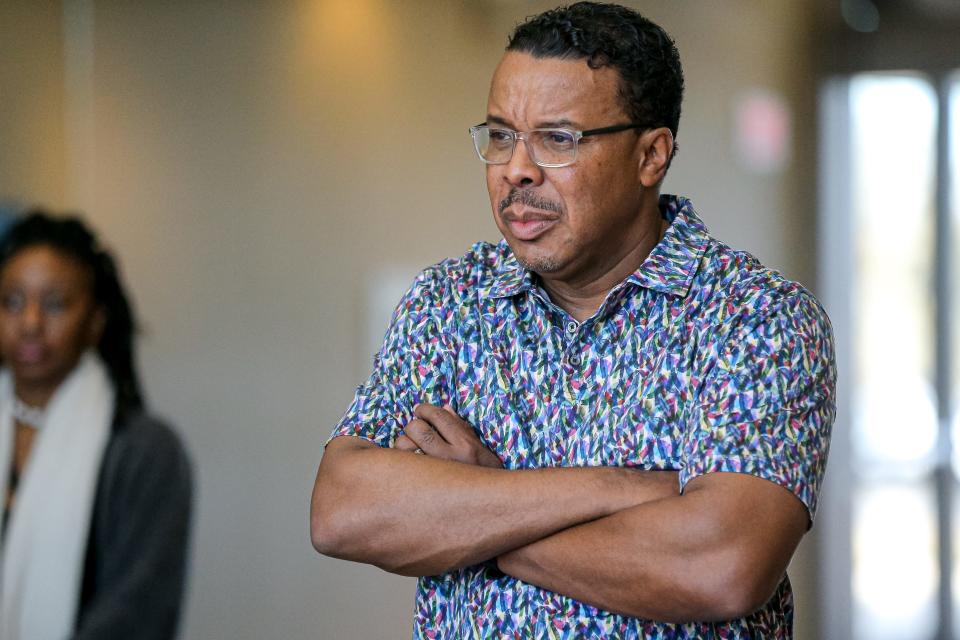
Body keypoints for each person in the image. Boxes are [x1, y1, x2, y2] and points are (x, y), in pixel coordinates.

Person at [311, 2, 835, 638]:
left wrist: (474, 513)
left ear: (651, 155)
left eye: (558, 139)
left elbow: (720, 566)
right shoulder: (448, 305)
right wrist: (620, 490)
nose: (516, 169)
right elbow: (343, 510)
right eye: (501, 135)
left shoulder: (754, 318)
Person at [0, 212, 193, 640]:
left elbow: (139, 616)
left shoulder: (146, 451)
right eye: (12, 301)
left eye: (54, 304)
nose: (30, 323)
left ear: (95, 321)